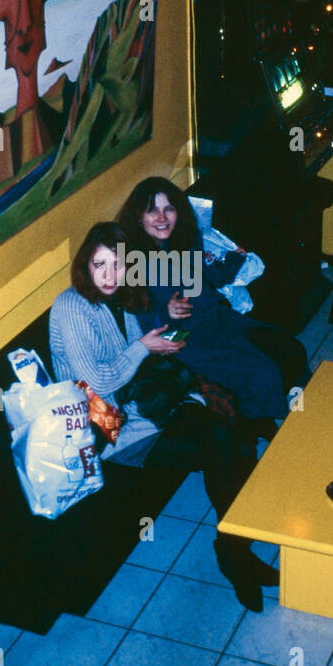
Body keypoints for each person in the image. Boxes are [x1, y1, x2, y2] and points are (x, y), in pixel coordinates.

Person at [49, 222, 276, 612]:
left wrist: (162, 331)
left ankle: (234, 550)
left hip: (136, 408)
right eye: (99, 264)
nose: (108, 275)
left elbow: (140, 352)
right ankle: (234, 556)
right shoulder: (70, 307)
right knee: (221, 444)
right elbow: (99, 381)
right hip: (101, 428)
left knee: (230, 437)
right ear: (84, 264)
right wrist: (142, 347)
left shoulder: (119, 299)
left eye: (118, 265)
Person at [115, 177, 309, 433]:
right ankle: (261, 425)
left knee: (288, 347)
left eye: (169, 208)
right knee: (259, 369)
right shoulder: (131, 259)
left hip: (213, 317)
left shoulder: (183, 239)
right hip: (175, 336)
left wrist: (232, 260)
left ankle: (301, 413)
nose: (162, 217)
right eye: (152, 210)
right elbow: (140, 323)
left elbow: (202, 284)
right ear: (139, 216)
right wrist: (167, 312)